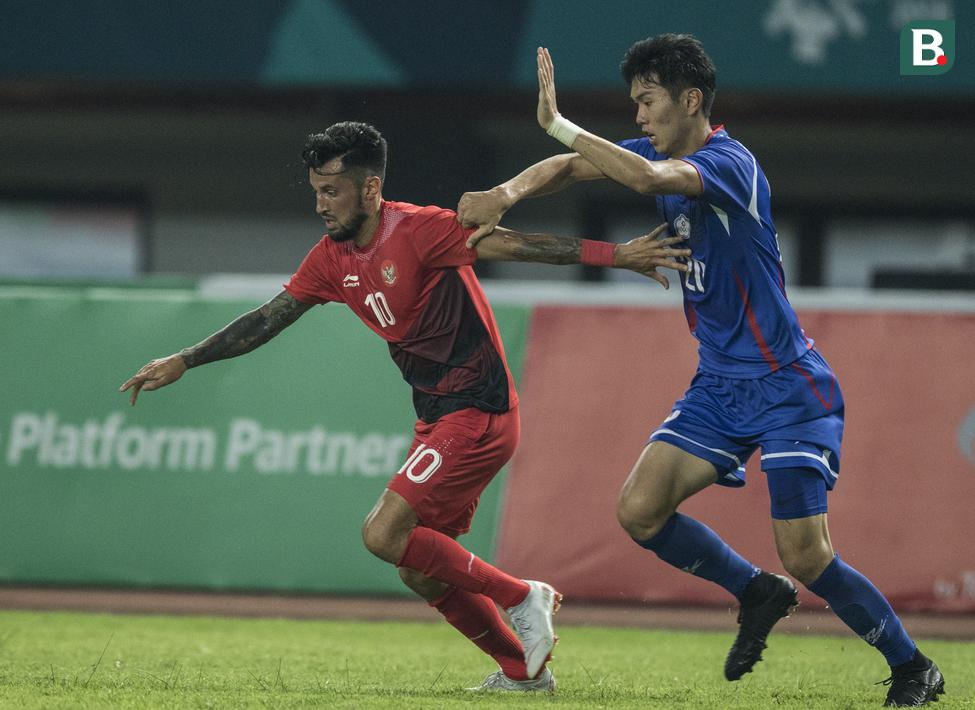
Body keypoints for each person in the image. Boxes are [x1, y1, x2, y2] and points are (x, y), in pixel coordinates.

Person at [458, 36, 944, 706]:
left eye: (647, 101)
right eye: (633, 103)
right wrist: (505, 190)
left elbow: (645, 181)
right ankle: (754, 591)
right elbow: (570, 169)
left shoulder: (729, 163)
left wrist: (557, 121)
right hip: (717, 385)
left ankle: (912, 666)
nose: (639, 116)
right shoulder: (655, 151)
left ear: (690, 100)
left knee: (805, 555)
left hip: (786, 388)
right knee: (639, 509)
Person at [120, 121, 689, 692]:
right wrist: (186, 360)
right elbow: (268, 318)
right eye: (316, 190)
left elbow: (517, 244)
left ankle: (524, 596)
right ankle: (522, 673)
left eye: (332, 191)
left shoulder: (420, 230)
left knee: (382, 534)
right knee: (418, 567)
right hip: (440, 418)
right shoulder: (329, 258)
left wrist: (614, 254)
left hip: (480, 412)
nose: (321, 204)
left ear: (370, 190)